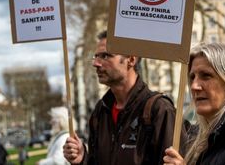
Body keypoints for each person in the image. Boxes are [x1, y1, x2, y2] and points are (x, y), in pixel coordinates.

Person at [63, 30, 186, 164]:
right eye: (96, 56)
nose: (96, 63)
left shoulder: (160, 110)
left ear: (131, 60)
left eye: (105, 56)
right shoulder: (100, 111)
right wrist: (82, 159)